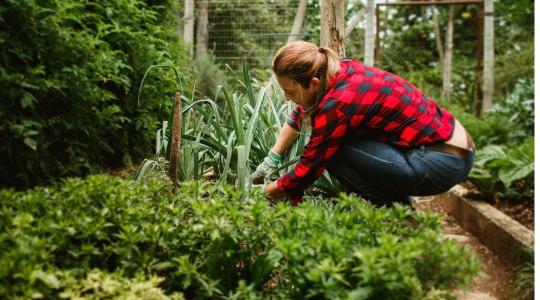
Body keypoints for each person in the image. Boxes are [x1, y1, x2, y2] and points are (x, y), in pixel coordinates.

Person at [250, 41, 475, 207]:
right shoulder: (337, 70)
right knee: (339, 143)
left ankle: (395, 211)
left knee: (334, 152)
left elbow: (309, 168)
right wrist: (273, 158)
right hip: (456, 150)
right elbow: (301, 112)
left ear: (314, 83)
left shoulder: (337, 104)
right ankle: (400, 212)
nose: (288, 98)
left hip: (440, 164)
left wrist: (260, 194)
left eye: (290, 92)